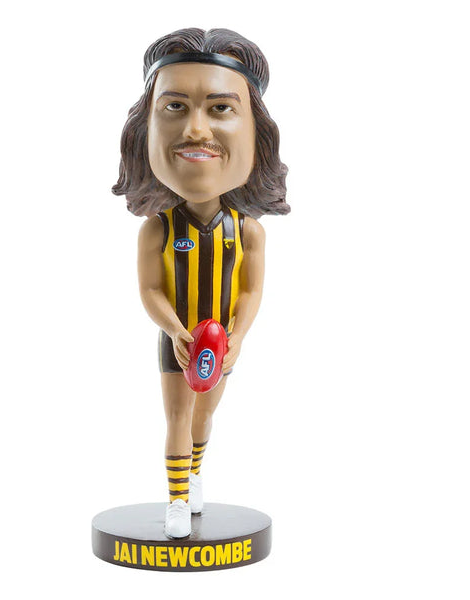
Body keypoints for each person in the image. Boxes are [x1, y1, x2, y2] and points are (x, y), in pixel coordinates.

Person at [113, 28, 289, 538]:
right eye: (174, 106)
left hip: (221, 341)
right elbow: (150, 290)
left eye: (220, 108)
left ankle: (192, 475)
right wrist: (174, 330)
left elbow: (251, 290)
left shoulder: (246, 230)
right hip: (180, 339)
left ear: (257, 133)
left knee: (204, 416)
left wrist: (238, 334)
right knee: (176, 415)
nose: (195, 129)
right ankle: (175, 499)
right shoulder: (160, 229)